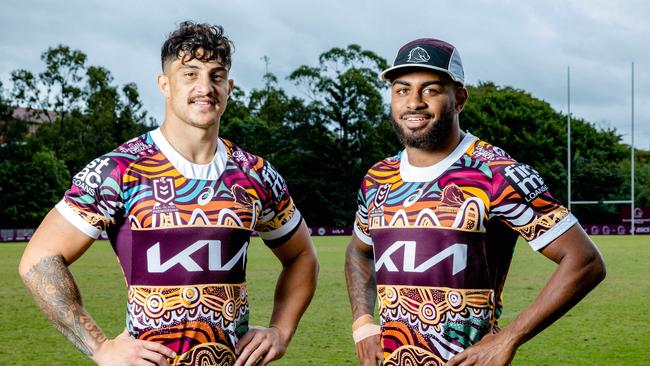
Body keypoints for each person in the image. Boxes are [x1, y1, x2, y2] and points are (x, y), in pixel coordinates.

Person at [19, 21, 318, 366]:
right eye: (190, 74)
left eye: (216, 75)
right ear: (165, 84)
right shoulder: (119, 169)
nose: (205, 87)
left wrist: (281, 330)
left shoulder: (254, 174)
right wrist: (100, 347)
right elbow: (39, 259)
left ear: (229, 87)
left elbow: (301, 257)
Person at [344, 38, 606, 366]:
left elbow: (584, 260)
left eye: (431, 90)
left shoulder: (496, 173)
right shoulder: (377, 177)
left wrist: (509, 337)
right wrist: (363, 324)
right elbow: (359, 250)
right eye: (402, 90)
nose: (414, 102)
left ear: (460, 99)